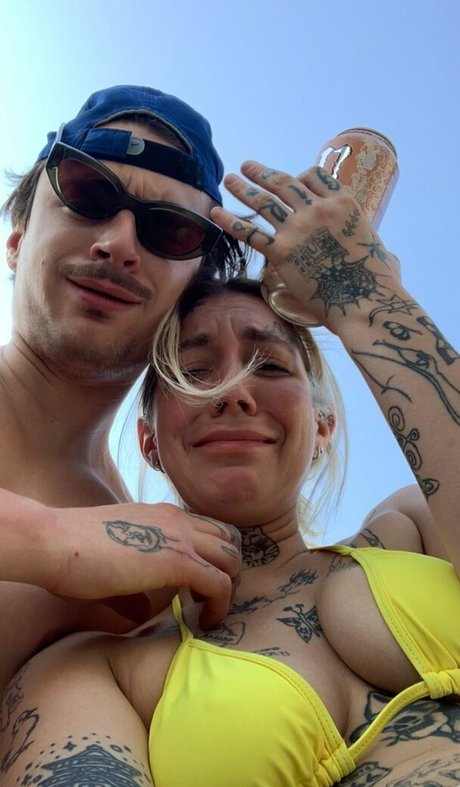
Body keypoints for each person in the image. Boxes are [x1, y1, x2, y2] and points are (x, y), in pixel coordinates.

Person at [2, 161, 459, 786]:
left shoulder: (420, 527)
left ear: (323, 426)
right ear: (150, 442)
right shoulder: (98, 667)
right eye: (194, 372)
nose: (235, 393)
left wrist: (363, 296)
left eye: (269, 366)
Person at [0, 84, 245, 697]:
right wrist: (50, 542)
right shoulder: (115, 547)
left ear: (187, 296)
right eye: (87, 194)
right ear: (17, 239)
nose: (119, 245)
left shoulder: (148, 575)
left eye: (171, 230)